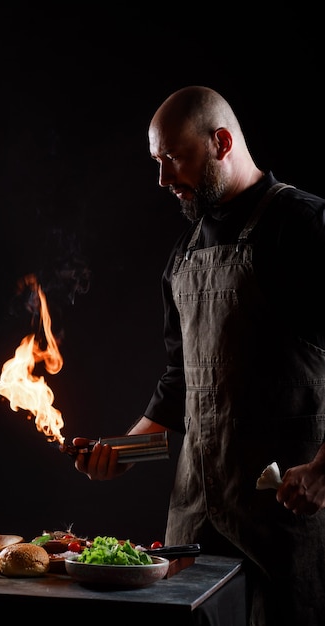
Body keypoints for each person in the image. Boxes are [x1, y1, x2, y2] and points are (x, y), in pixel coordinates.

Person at [71, 86, 325, 626]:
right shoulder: (182, 257)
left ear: (221, 142)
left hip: (285, 526)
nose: (163, 180)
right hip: (194, 533)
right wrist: (120, 454)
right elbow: (182, 386)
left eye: (173, 158)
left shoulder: (303, 226)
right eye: (155, 162)